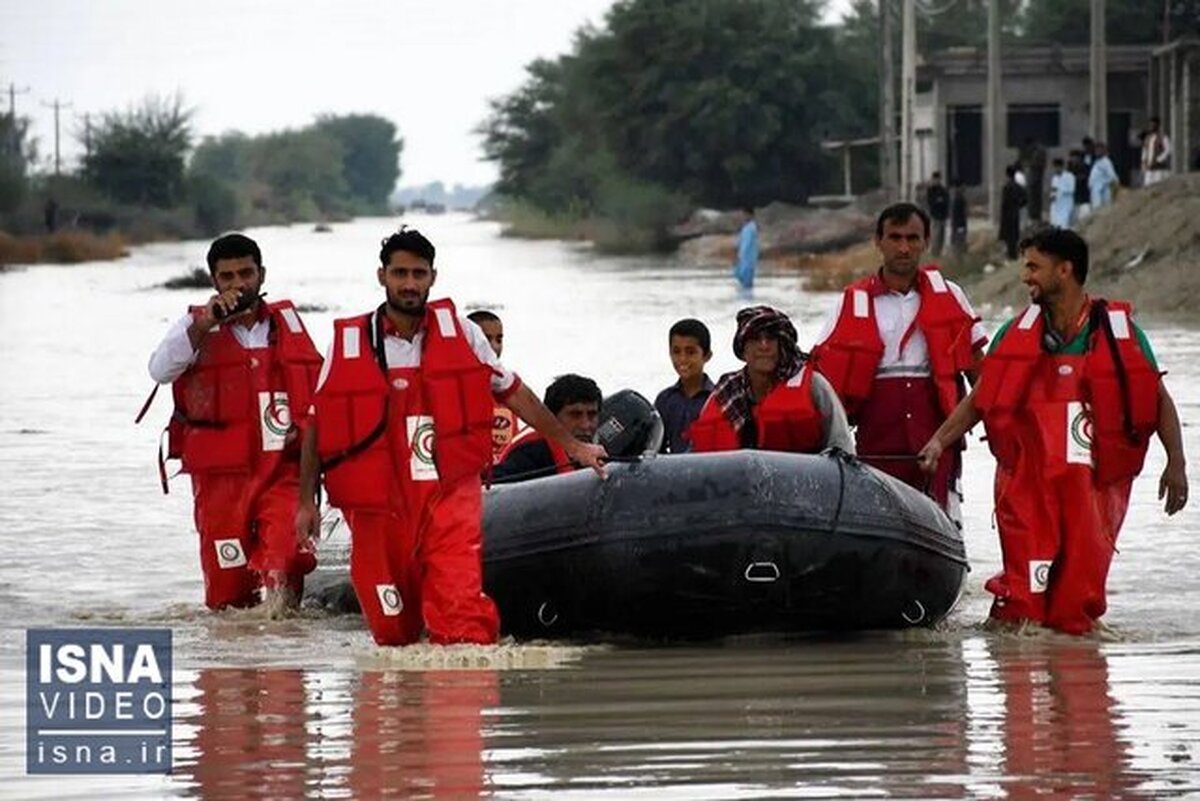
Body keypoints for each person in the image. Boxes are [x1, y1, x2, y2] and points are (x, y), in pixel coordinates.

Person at [295, 228, 606, 646]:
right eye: (400, 273)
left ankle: (461, 700)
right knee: (393, 632)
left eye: (418, 274)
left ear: (433, 277)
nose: (409, 284)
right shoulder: (349, 343)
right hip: (379, 503)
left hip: (449, 491)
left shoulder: (464, 333)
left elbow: (515, 393)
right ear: (381, 276)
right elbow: (317, 422)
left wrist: (575, 447)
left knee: (461, 619)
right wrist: (305, 502)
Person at [917, 227, 1188, 635]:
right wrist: (939, 440)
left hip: (1090, 490)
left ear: (1065, 270)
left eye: (1033, 267)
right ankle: (1017, 673)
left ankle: (1077, 681)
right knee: (1021, 607)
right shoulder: (1015, 333)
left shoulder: (1119, 335)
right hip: (1027, 486)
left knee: (1075, 610)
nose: (1025, 276)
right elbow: (981, 398)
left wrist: (1177, 464)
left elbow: (1160, 399)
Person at [146, 233, 323, 613]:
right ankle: (232, 667)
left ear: (261, 275)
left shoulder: (287, 326)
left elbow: (319, 400)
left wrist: (314, 491)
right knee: (227, 599)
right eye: (227, 277)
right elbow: (159, 371)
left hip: (283, 472)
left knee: (287, 562)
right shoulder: (193, 328)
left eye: (246, 273)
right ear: (214, 281)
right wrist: (204, 323)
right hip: (220, 483)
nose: (238, 284)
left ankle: (285, 659)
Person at [811, 202, 986, 516]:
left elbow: (984, 380)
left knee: (945, 527)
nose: (904, 248)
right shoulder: (850, 302)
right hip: (875, 450)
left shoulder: (952, 296)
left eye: (912, 238)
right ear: (878, 241)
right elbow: (818, 384)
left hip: (938, 445)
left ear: (926, 241)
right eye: (894, 237)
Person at [690, 306, 853, 454]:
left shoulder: (814, 386)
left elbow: (842, 449)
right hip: (739, 486)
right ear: (743, 349)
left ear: (783, 345)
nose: (764, 346)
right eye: (755, 339)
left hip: (805, 483)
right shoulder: (724, 392)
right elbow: (697, 457)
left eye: (771, 339)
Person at [493, 373, 602, 482]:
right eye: (575, 415)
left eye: (592, 415)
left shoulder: (601, 450)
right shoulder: (529, 451)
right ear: (551, 417)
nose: (586, 425)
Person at [654, 318, 714, 453]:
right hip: (673, 471)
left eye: (690, 352)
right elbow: (656, 447)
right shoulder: (665, 400)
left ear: (707, 356)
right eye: (676, 351)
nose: (682, 359)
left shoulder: (718, 399)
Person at [466, 309, 518, 462]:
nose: (494, 347)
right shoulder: (452, 388)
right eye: (486, 339)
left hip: (505, 478)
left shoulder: (508, 390)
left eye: (499, 339)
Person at [1000, 166, 1026, 261]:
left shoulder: (1006, 187)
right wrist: (1018, 205)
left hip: (1007, 215)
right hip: (1015, 214)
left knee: (1008, 237)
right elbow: (1025, 200)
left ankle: (1010, 256)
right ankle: (1014, 255)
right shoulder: (1019, 187)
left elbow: (1004, 203)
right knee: (1014, 236)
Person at [731, 205, 759, 289]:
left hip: (748, 258)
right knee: (739, 276)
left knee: (746, 281)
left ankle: (748, 297)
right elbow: (741, 242)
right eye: (743, 215)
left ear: (751, 215)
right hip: (743, 258)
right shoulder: (746, 227)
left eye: (745, 215)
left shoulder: (751, 227)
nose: (743, 217)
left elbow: (747, 244)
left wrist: (740, 256)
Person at [924, 171, 950, 257]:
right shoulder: (931, 190)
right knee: (935, 234)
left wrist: (940, 201)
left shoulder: (943, 190)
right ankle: (934, 251)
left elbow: (946, 201)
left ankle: (940, 251)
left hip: (942, 215)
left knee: (942, 234)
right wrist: (938, 201)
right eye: (935, 179)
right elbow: (931, 202)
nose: (936, 181)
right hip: (935, 215)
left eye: (938, 179)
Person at [1140, 116, 1171, 187]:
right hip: (1149, 169)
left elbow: (1168, 150)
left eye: (1153, 125)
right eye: (1150, 125)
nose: (1151, 127)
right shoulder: (1148, 138)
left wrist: (1158, 160)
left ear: (1158, 125)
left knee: (1158, 187)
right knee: (1147, 186)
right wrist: (1143, 161)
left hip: (1159, 170)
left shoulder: (1163, 137)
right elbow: (1144, 150)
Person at [1089, 142, 1119, 211]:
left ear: (1104, 150)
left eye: (1099, 150)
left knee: (1101, 209)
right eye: (1096, 150)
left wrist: (1116, 185)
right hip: (1095, 190)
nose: (1097, 152)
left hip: (1102, 190)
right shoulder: (1096, 162)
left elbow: (1112, 176)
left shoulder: (1106, 162)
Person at [1048, 157, 1076, 229]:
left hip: (1066, 204)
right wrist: (1052, 196)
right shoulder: (1054, 178)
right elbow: (1053, 190)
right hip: (1056, 205)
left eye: (1058, 167)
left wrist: (1060, 190)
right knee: (1055, 224)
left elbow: (1071, 189)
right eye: (1055, 167)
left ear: (1061, 167)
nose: (1056, 169)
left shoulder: (1069, 176)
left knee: (1065, 224)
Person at [1068, 149, 1091, 222]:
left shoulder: (1085, 167)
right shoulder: (1070, 168)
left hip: (1084, 197)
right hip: (1074, 197)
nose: (1073, 160)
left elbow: (1084, 178)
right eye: (1072, 158)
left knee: (1084, 217)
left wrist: (1075, 179)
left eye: (1075, 158)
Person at [950, 181, 968, 257]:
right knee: (959, 242)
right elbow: (957, 214)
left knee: (959, 242)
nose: (964, 188)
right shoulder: (958, 199)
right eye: (962, 187)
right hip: (959, 225)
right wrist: (959, 226)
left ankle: (958, 257)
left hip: (959, 224)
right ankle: (958, 258)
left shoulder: (958, 198)